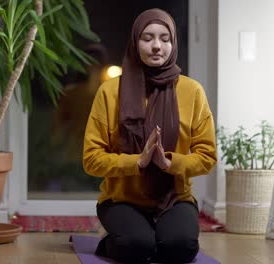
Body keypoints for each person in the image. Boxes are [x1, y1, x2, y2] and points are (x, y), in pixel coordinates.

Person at [83, 8, 217, 264]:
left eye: (165, 38)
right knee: (136, 247)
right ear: (135, 42)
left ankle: (156, 234)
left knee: (182, 248)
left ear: (173, 43)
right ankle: (121, 239)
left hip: (175, 197)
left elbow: (207, 156)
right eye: (147, 38)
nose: (157, 46)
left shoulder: (192, 91)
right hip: (121, 199)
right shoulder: (109, 92)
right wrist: (137, 162)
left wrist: (171, 163)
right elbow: (91, 159)